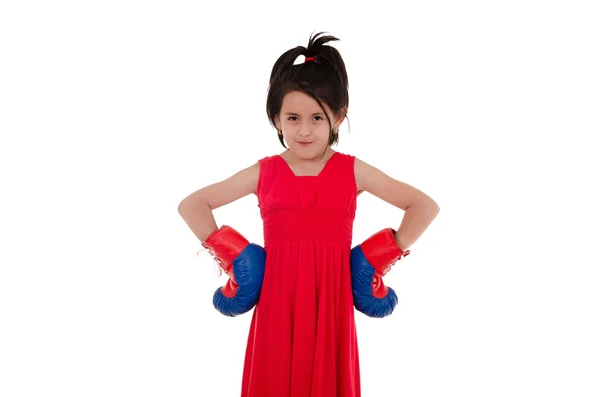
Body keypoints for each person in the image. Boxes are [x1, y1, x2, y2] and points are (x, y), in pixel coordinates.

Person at [178, 32, 440, 397]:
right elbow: (192, 205)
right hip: (277, 306)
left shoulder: (352, 170)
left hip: (329, 307)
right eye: (293, 117)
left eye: (317, 117)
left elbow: (423, 206)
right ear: (276, 119)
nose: (304, 130)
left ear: (338, 117)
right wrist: (235, 259)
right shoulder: (264, 171)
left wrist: (379, 258)